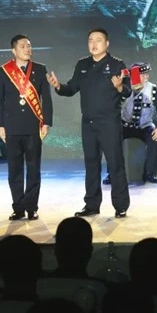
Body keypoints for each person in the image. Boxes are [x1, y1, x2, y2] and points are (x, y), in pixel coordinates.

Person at [47, 28, 131, 218]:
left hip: (109, 123)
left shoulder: (117, 64)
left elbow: (127, 91)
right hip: (88, 124)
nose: (94, 44)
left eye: (98, 40)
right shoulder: (82, 64)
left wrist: (119, 87)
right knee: (91, 165)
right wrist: (58, 86)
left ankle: (120, 205)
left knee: (115, 164)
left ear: (107, 44)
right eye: (91, 40)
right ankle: (92, 205)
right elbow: (71, 88)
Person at [0, 34, 53, 221]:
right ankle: (18, 208)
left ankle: (31, 207)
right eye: (23, 46)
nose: (27, 49)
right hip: (11, 127)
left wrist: (46, 122)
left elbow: (46, 99)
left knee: (34, 169)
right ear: (14, 50)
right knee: (14, 169)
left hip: (33, 127)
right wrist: (0, 125)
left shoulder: (40, 69)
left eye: (29, 46)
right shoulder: (4, 70)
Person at [104, 62, 157, 185]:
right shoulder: (123, 88)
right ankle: (112, 174)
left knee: (156, 140)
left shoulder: (153, 89)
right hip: (125, 125)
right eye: (143, 75)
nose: (146, 77)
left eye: (147, 74)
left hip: (145, 126)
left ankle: (150, 173)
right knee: (112, 140)